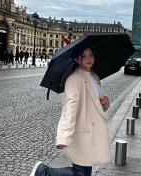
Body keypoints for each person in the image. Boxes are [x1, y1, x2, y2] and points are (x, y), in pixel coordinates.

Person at [30, 48, 112, 176]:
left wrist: (106, 102)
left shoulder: (94, 77)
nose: (88, 58)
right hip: (81, 134)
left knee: (85, 173)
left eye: (91, 55)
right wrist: (64, 136)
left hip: (91, 134)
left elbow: (96, 105)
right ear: (77, 59)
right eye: (84, 56)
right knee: (81, 174)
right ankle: (42, 172)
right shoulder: (74, 80)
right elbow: (70, 109)